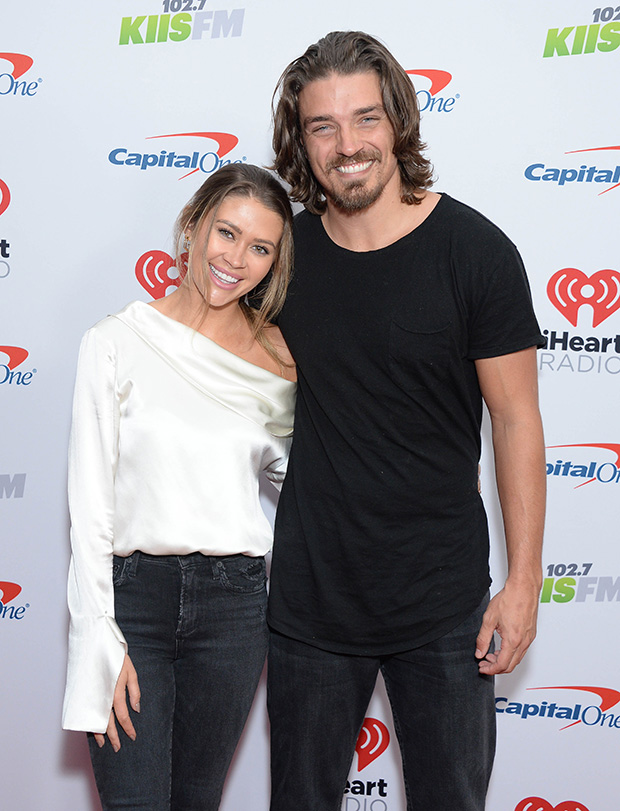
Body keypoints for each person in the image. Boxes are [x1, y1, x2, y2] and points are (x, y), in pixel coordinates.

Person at [267, 31, 546, 810]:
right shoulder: (280, 257)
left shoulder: (476, 252)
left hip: (443, 605)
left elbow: (517, 421)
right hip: (311, 603)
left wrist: (524, 582)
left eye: (365, 118)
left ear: (398, 121)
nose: (347, 145)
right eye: (323, 125)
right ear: (301, 139)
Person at [62, 163, 296, 811]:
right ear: (192, 226)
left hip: (234, 611)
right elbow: (89, 506)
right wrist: (99, 632)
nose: (236, 259)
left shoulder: (279, 360)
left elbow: (307, 481)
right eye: (227, 232)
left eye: (260, 247)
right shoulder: (115, 341)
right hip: (132, 602)